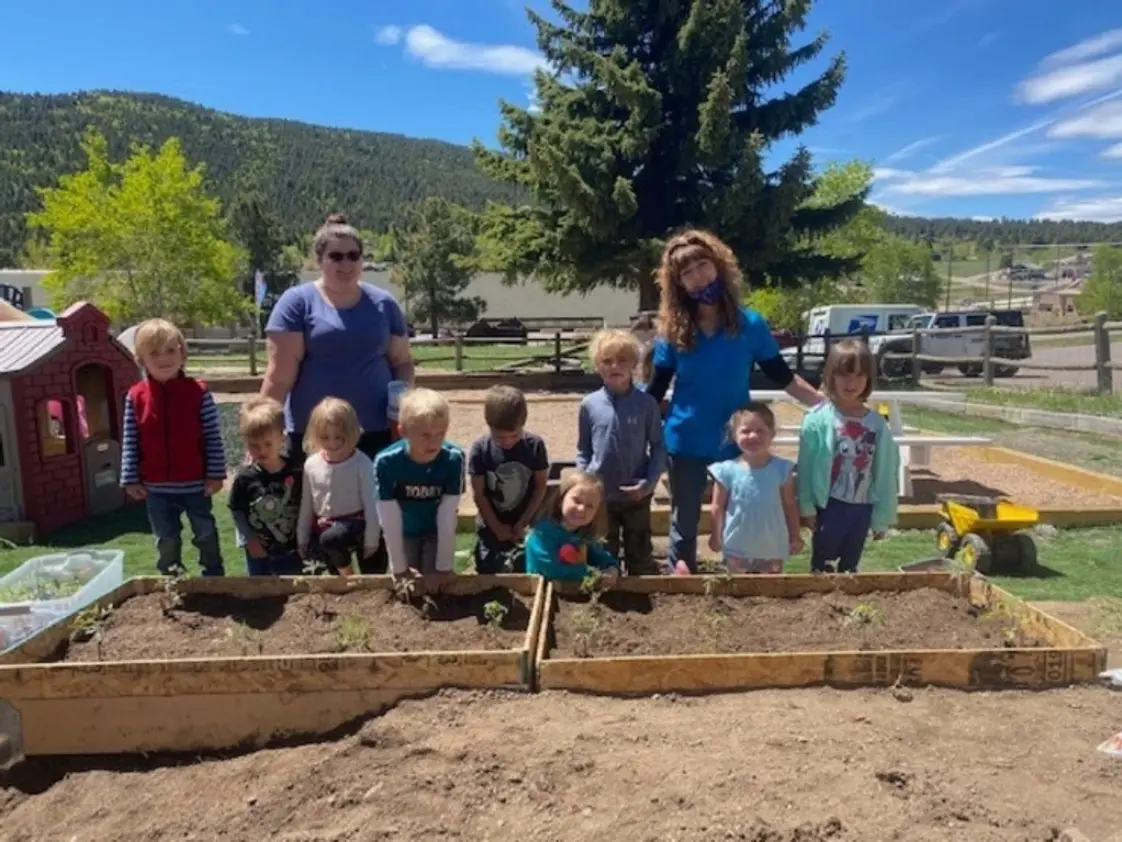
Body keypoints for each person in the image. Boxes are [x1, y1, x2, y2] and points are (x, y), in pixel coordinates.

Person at [644, 229, 822, 576]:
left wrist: (827, 405)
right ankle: (682, 579)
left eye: (702, 265)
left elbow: (784, 378)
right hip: (685, 441)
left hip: (738, 443)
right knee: (685, 518)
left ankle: (742, 577)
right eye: (687, 272)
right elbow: (654, 391)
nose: (698, 276)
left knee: (743, 513)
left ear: (719, 266)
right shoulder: (673, 332)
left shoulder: (750, 325)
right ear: (679, 284)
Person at [262, 212, 414, 573]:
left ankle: (377, 592)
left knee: (376, 517)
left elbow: (402, 363)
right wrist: (264, 430)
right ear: (319, 259)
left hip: (376, 433)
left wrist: (405, 413)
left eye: (353, 255)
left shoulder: (384, 304)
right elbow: (279, 377)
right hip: (316, 437)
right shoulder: (296, 303)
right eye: (335, 255)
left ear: (362, 260)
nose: (345, 263)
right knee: (324, 520)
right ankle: (333, 590)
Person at [120, 318, 226, 576]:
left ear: (182, 352)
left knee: (205, 532)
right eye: (154, 353)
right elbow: (131, 440)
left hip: (196, 484)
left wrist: (215, 474)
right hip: (157, 489)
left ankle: (213, 576)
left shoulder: (198, 392)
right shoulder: (136, 396)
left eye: (170, 350)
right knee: (166, 538)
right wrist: (130, 478)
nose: (164, 358)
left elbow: (213, 437)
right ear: (141, 359)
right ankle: (171, 579)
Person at [797, 339, 900, 573]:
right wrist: (806, 507)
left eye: (859, 375)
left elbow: (885, 471)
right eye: (844, 375)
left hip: (862, 507)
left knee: (850, 566)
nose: (851, 383)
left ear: (869, 378)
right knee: (823, 564)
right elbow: (805, 467)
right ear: (831, 375)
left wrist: (882, 516)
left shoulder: (877, 424)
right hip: (829, 506)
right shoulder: (816, 419)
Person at [577, 329, 666, 575]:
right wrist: (585, 480)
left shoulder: (646, 404)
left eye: (622, 360)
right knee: (603, 551)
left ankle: (640, 587)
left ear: (634, 365)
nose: (614, 366)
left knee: (640, 551)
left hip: (636, 493)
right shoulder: (589, 405)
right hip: (601, 495)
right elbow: (584, 449)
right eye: (607, 361)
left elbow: (658, 446)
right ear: (597, 366)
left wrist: (649, 483)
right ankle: (607, 590)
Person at [374, 389, 464, 579]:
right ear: (403, 432)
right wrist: (399, 567)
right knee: (408, 583)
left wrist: (444, 566)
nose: (434, 442)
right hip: (404, 530)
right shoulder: (386, 462)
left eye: (441, 434)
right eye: (425, 436)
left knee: (436, 581)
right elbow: (388, 516)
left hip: (436, 530)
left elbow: (448, 513)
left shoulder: (453, 459)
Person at [707, 402, 802, 574]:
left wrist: (795, 535)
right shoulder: (726, 471)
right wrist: (715, 535)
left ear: (772, 434)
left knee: (770, 588)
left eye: (760, 430)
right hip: (736, 547)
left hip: (772, 547)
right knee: (738, 588)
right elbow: (717, 507)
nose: (753, 436)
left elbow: (789, 505)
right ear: (734, 435)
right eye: (745, 431)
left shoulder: (782, 469)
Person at [468, 385, 549, 574]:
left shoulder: (534, 446)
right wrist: (497, 527)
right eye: (500, 437)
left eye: (514, 435)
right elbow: (479, 494)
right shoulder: (481, 449)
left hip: (525, 523)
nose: (508, 441)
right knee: (490, 572)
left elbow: (540, 487)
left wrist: (523, 521)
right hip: (491, 526)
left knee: (526, 570)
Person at [296, 398, 379, 576]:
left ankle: (353, 577)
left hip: (357, 523)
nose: (332, 444)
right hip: (325, 525)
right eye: (325, 438)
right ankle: (346, 578)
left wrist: (372, 540)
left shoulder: (362, 464)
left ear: (350, 434)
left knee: (373, 569)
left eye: (339, 438)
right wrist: (302, 537)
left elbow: (371, 505)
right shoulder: (312, 464)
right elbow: (307, 504)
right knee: (319, 564)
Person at [228, 397, 303, 576]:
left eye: (268, 444)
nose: (261, 451)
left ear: (281, 439)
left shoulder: (296, 472)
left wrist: (306, 538)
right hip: (259, 552)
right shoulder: (245, 479)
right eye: (254, 445)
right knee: (260, 589)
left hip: (292, 550)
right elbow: (237, 510)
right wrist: (249, 539)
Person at [525, 470, 620, 585]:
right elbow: (551, 569)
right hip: (542, 588)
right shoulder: (542, 533)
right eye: (576, 501)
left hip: (574, 590)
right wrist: (593, 574)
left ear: (596, 513)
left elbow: (598, 555)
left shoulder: (583, 534)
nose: (581, 509)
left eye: (590, 506)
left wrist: (611, 567)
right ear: (561, 499)